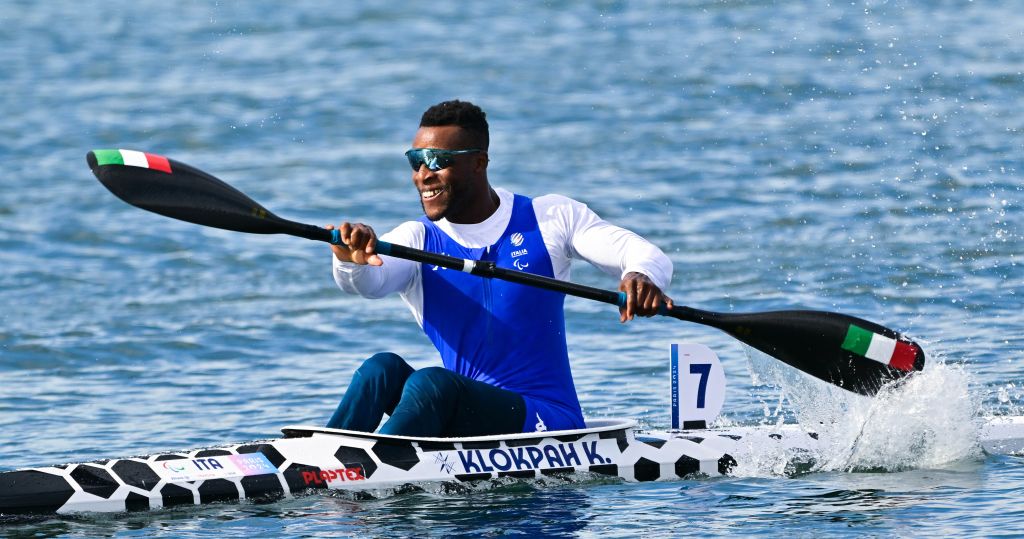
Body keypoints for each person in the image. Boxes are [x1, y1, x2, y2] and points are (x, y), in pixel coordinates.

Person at [326, 100, 673, 438]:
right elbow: (369, 283)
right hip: (462, 413)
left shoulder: (549, 218)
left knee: (432, 384)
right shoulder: (416, 239)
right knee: (381, 369)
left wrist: (641, 275)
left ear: (479, 162)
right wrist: (348, 258)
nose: (423, 175)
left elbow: (641, 253)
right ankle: (319, 457)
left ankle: (359, 468)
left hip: (548, 420)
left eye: (437, 160)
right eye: (415, 161)